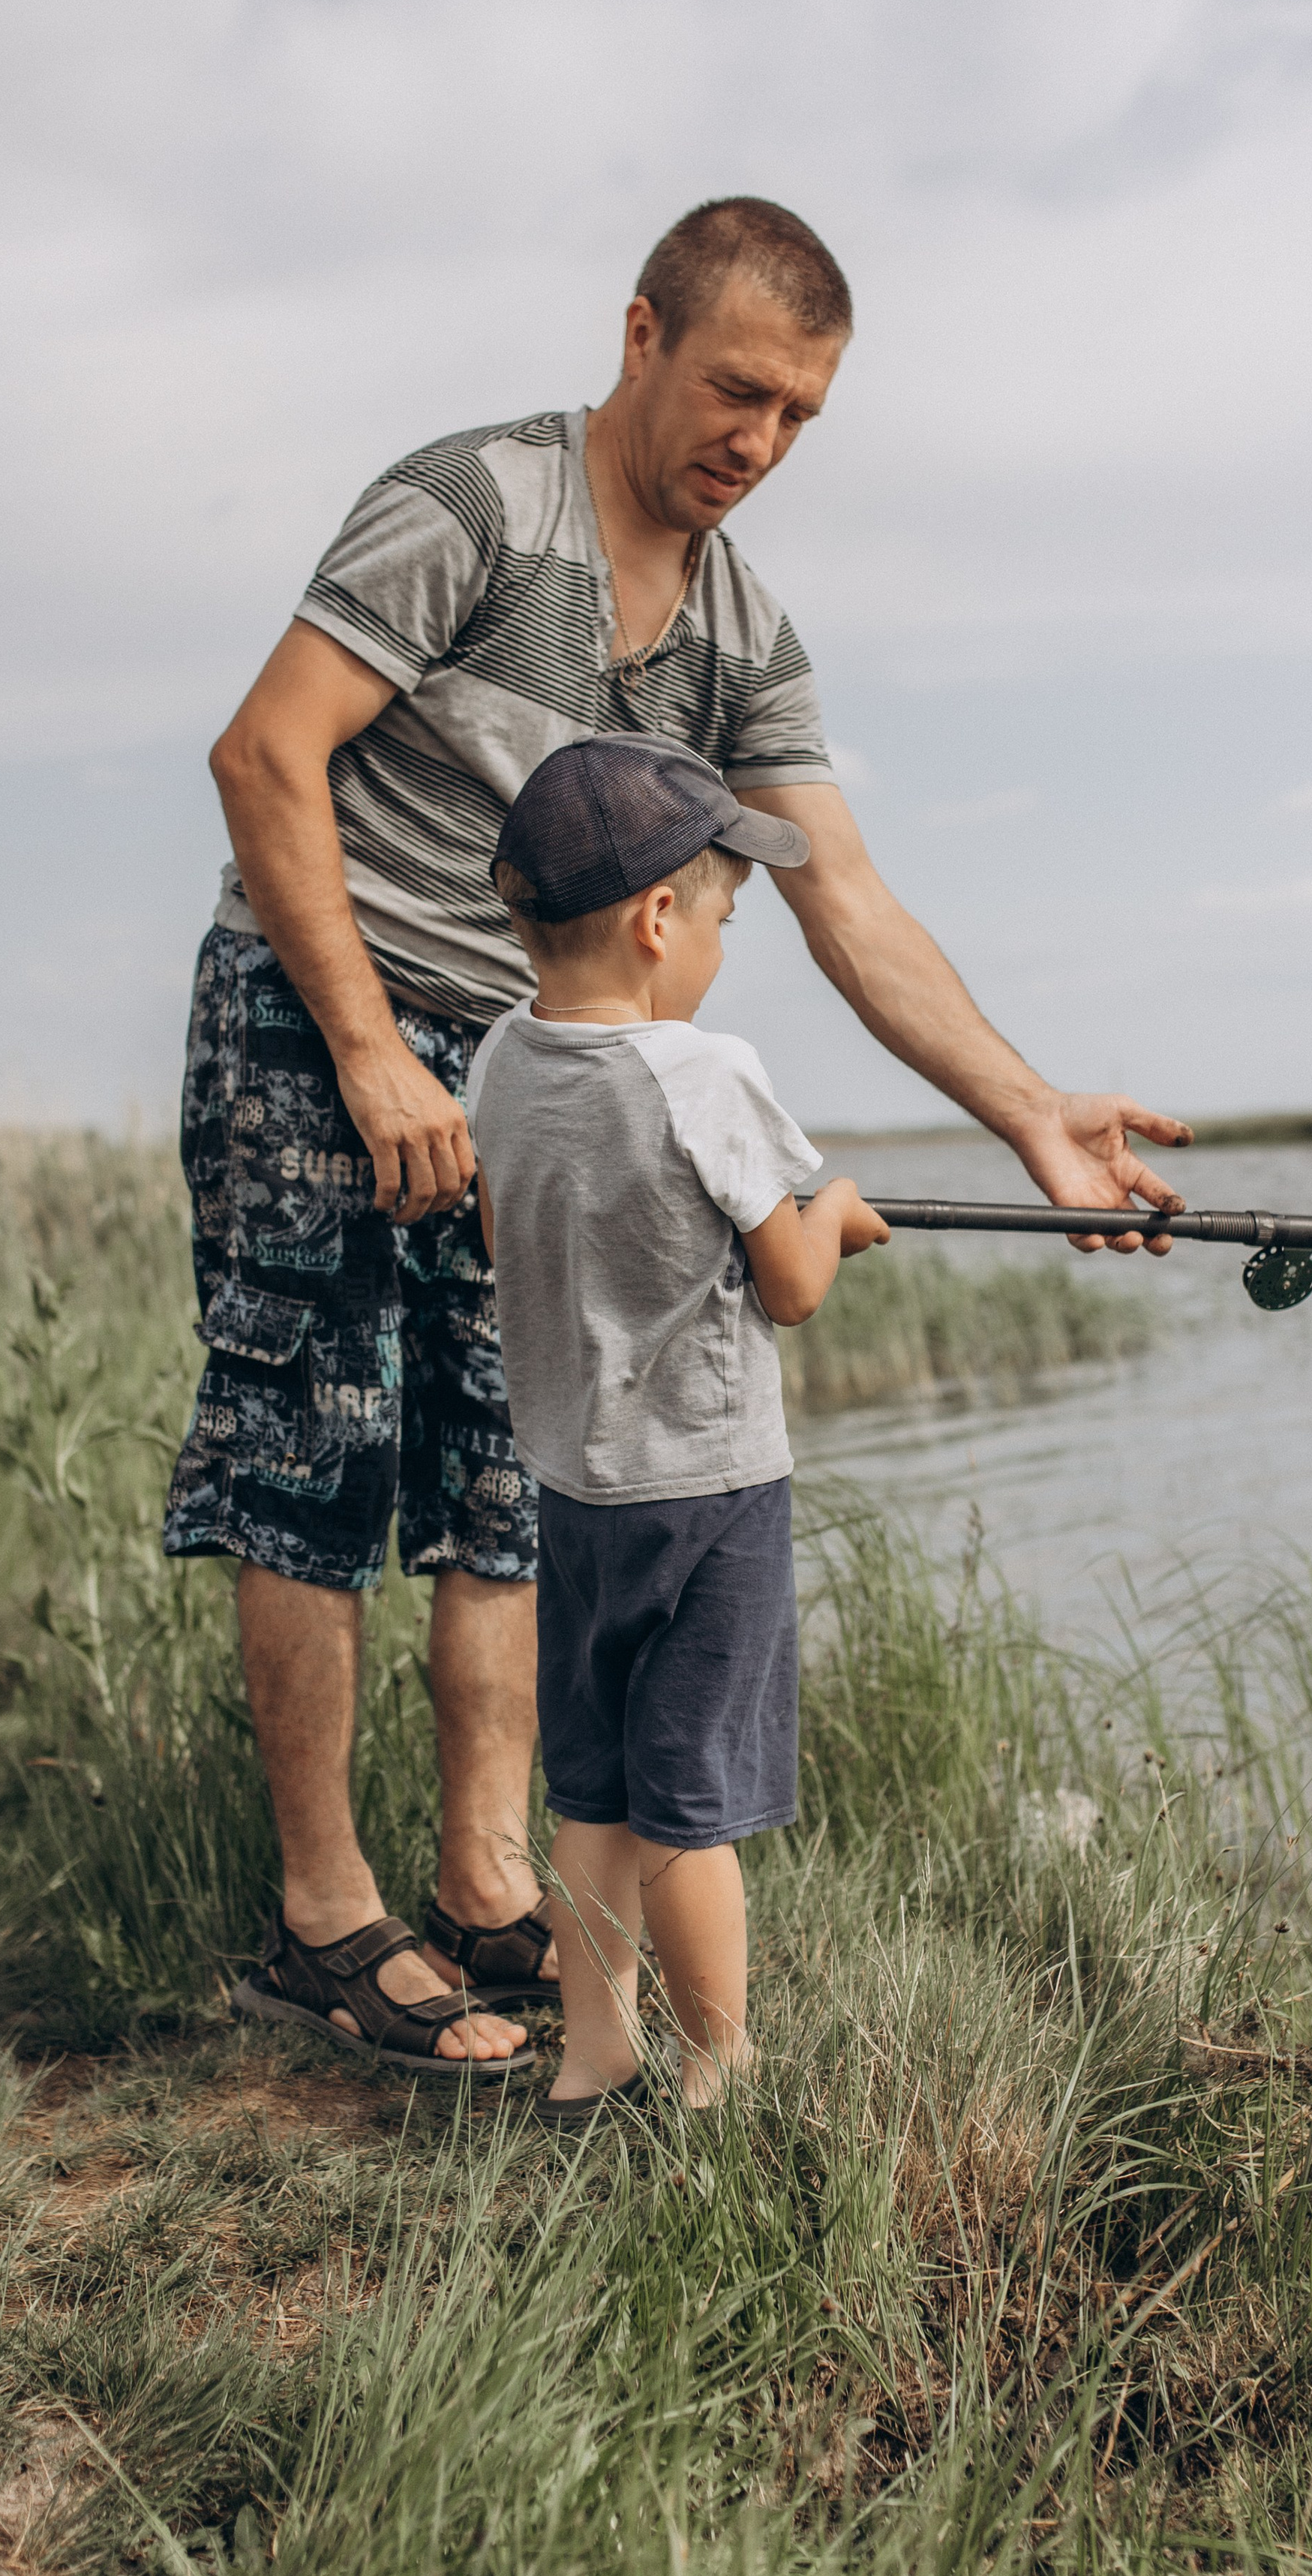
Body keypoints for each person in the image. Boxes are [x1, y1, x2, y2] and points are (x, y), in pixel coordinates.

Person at [168, 193, 1188, 2076]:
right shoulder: (474, 506)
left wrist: (1038, 1117)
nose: (758, 443)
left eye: (800, 416)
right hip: (329, 1020)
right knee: (310, 1454)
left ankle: (486, 1889)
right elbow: (262, 754)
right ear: (639, 337)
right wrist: (374, 1048)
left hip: (538, 1062)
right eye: (736, 391)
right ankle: (323, 1919)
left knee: (509, 1467)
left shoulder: (737, 630)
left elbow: (847, 898)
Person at [465, 734, 886, 2113]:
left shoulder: (498, 1063)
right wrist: (837, 1211)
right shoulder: (704, 1073)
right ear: (659, 921)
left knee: (592, 1798)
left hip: (574, 1492)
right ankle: (718, 2061)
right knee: (691, 1808)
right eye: (721, 915)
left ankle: (594, 2053)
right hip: (710, 1494)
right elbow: (794, 1284)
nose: (717, 946)